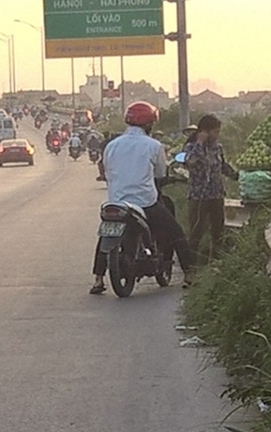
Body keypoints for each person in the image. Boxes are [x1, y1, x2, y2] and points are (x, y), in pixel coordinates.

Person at [90, 101, 195, 294]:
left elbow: (107, 171)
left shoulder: (112, 145)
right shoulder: (154, 145)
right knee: (176, 232)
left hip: (116, 201)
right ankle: (189, 273)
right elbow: (160, 174)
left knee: (106, 234)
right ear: (150, 124)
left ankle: (98, 279)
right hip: (144, 202)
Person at [183, 113, 239, 265]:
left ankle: (216, 262)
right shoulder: (190, 148)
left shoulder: (217, 147)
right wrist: (200, 143)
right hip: (199, 196)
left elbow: (222, 166)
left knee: (218, 232)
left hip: (216, 194)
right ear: (205, 131)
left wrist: (237, 176)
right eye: (215, 132)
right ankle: (191, 267)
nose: (217, 135)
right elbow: (190, 162)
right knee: (196, 232)